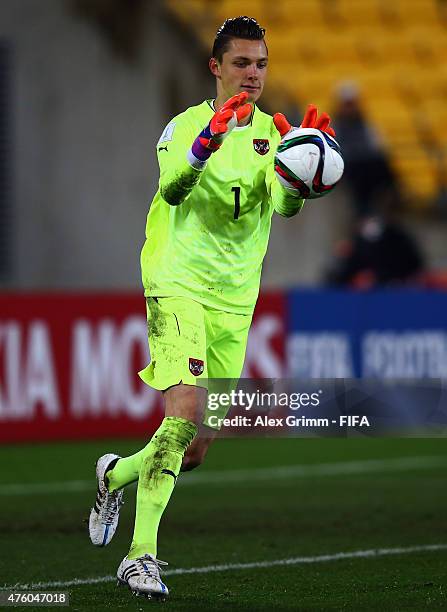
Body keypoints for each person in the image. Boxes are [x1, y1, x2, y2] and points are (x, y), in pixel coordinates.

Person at [88, 16, 336, 600]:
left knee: (195, 447)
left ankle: (116, 474)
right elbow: (173, 187)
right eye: (242, 63)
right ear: (216, 68)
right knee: (181, 415)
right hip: (176, 282)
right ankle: (140, 556)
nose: (253, 75)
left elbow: (283, 206)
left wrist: (306, 175)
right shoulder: (185, 126)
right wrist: (207, 145)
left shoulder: (275, 137)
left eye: (261, 64)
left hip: (234, 299)